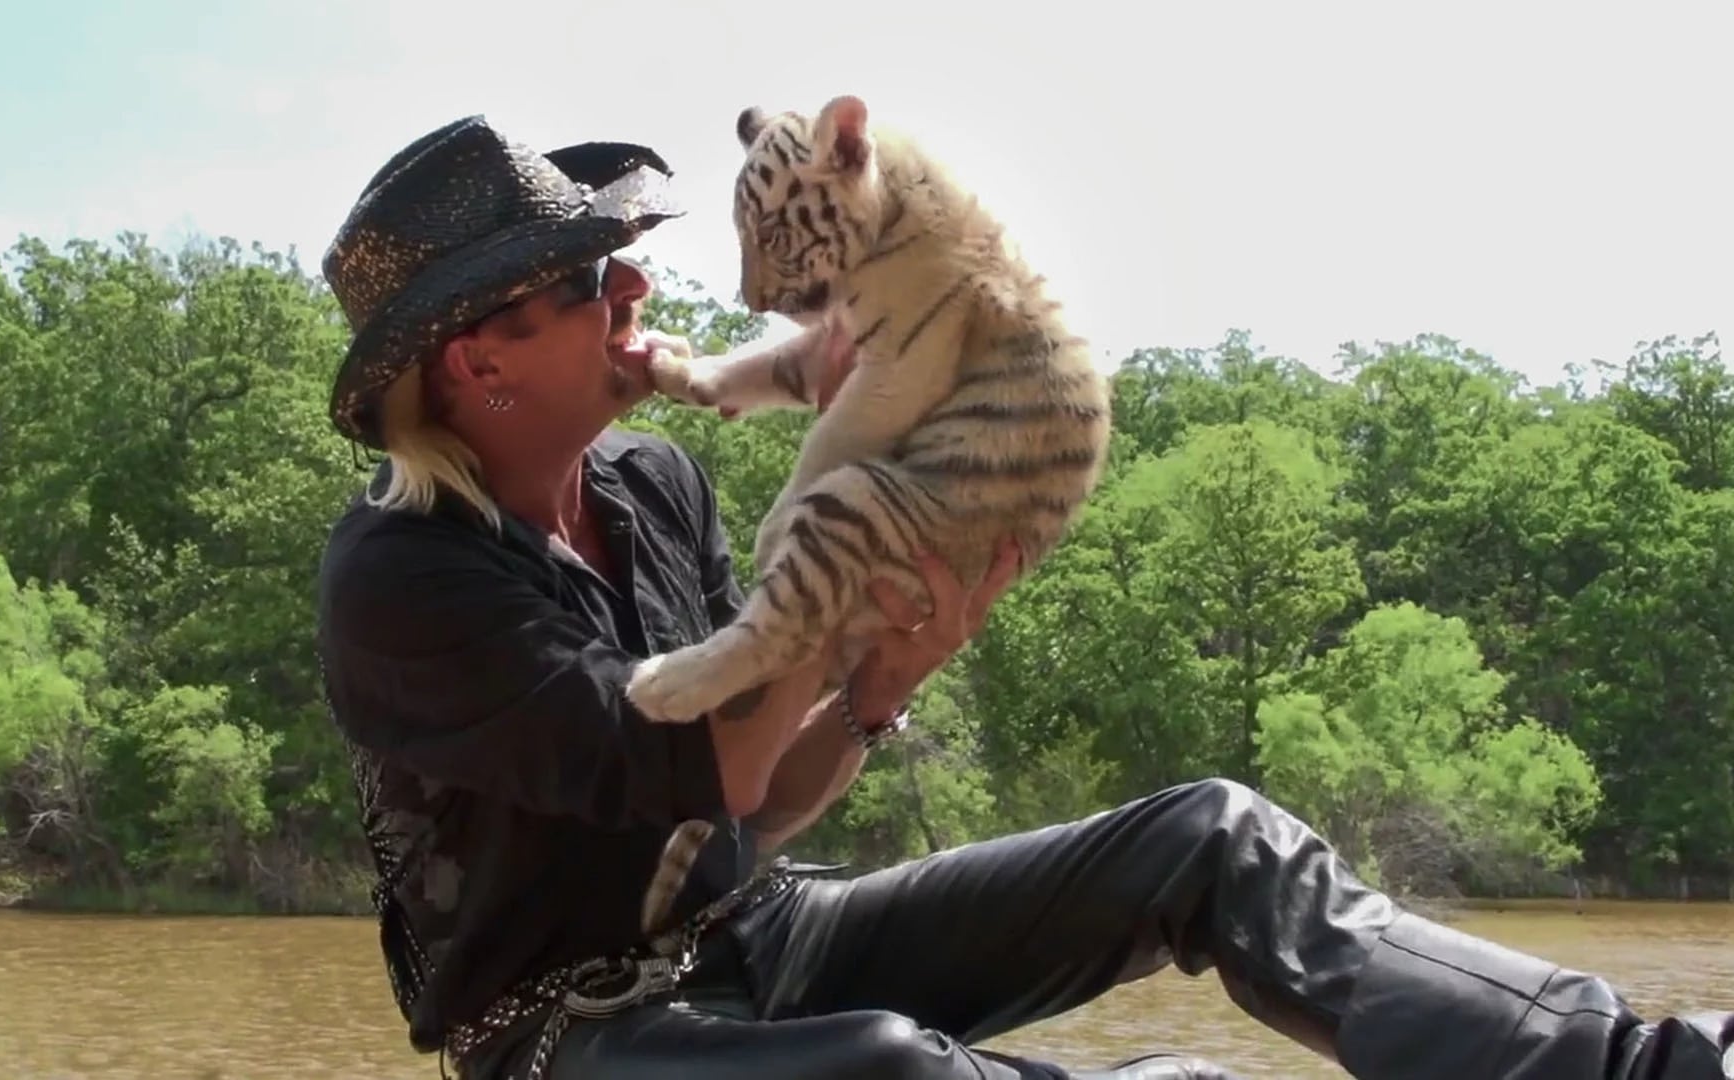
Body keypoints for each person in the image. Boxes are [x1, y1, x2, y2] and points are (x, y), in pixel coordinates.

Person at [312, 114, 1734, 1080]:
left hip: (758, 931)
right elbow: (714, 757)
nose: (634, 282)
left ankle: (1645, 1068)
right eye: (582, 277)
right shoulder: (403, 580)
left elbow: (749, 813)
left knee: (1210, 839)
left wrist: (874, 694)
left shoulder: (655, 486)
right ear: (476, 362)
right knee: (889, 1069)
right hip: (573, 1040)